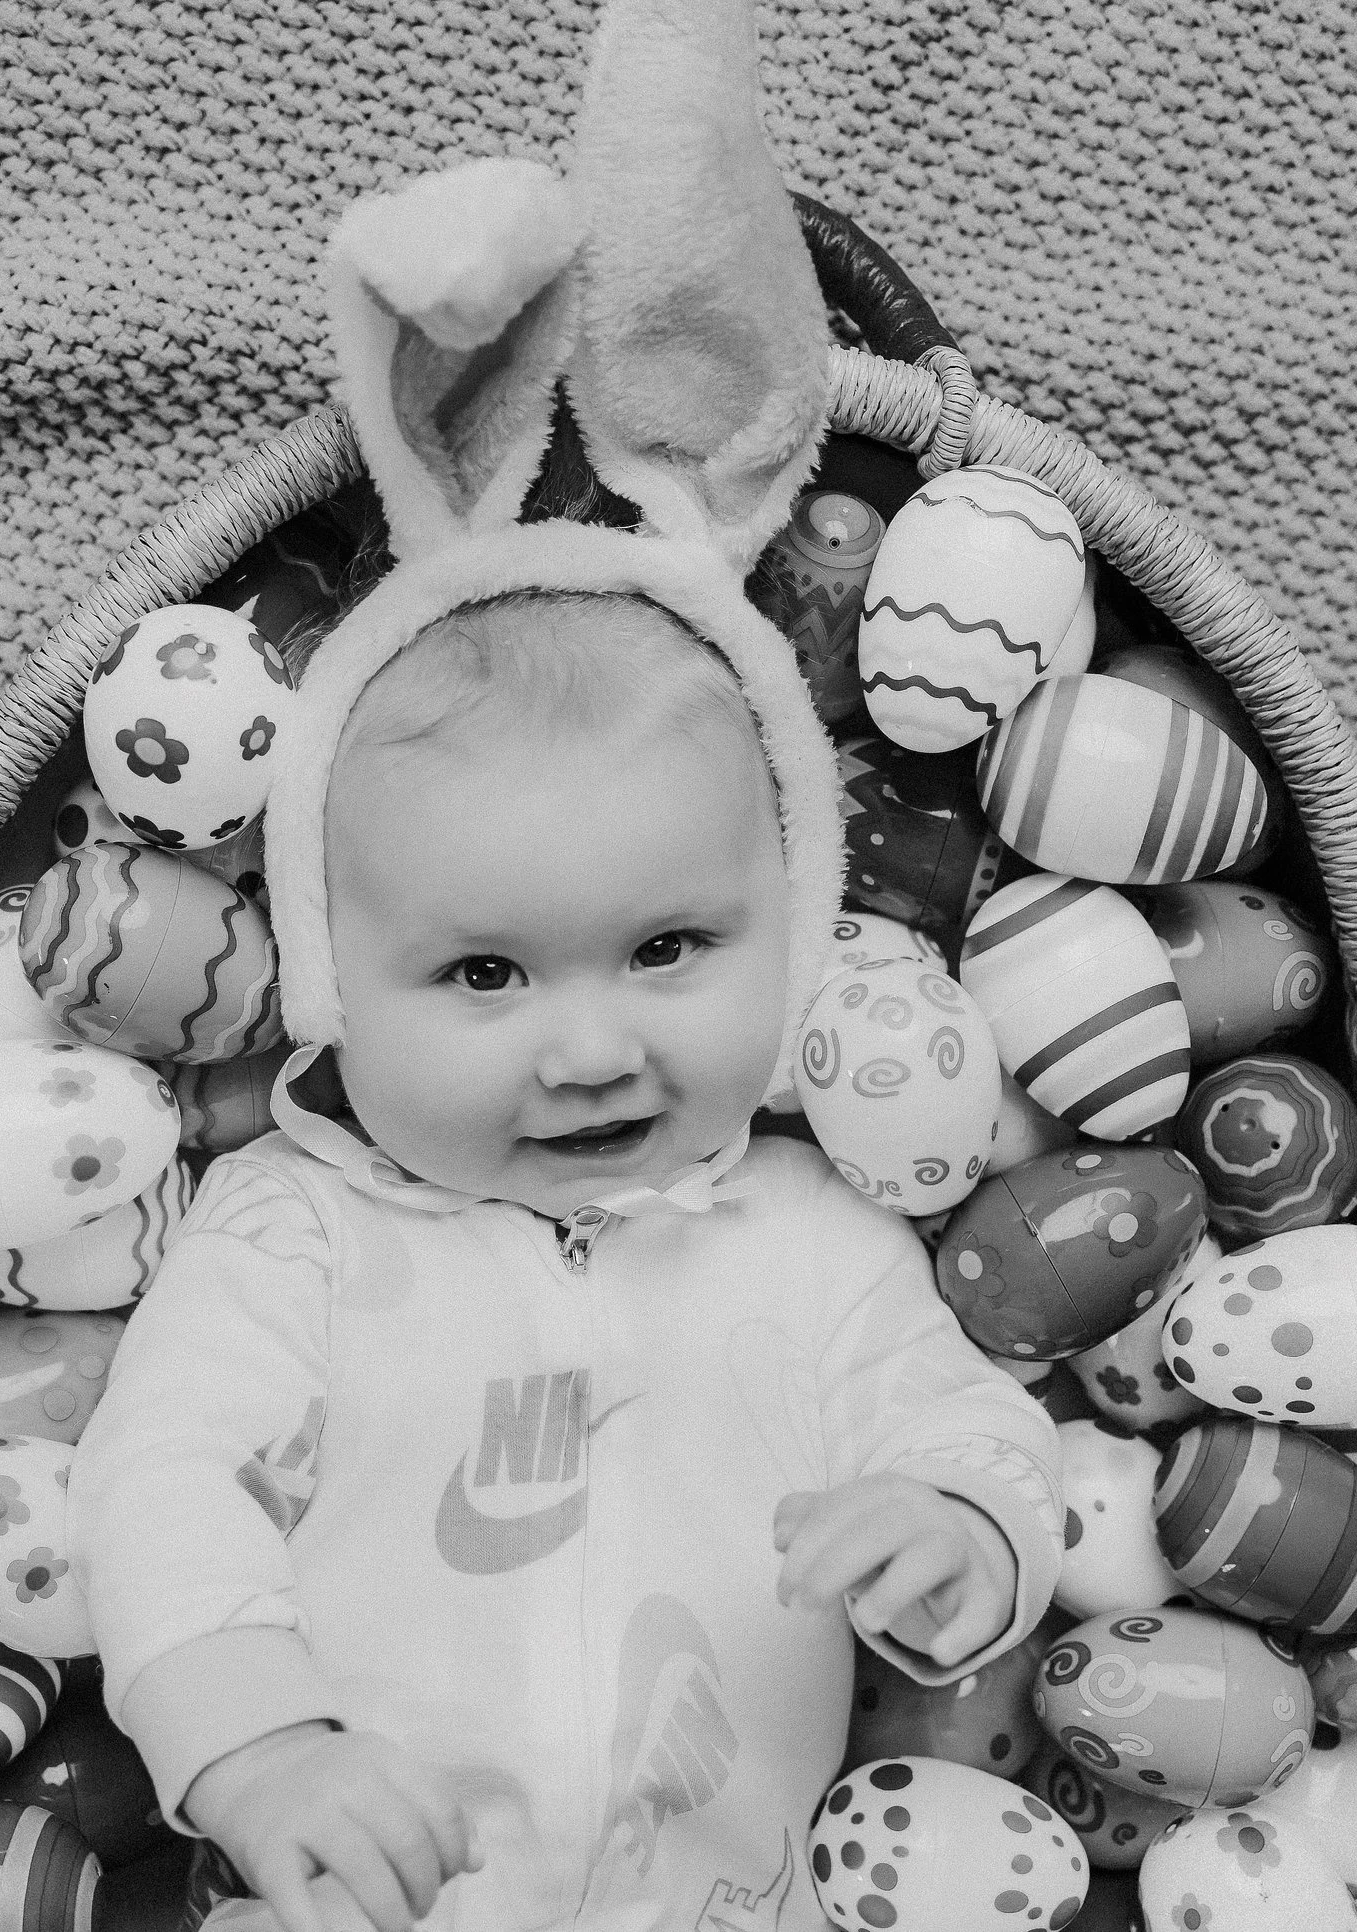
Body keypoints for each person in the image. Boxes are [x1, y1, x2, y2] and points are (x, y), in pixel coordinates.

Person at [70, 588, 1068, 1932]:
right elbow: (164, 1485)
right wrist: (261, 1751)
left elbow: (964, 1416)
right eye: (485, 974)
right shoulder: (287, 1231)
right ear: (329, 988)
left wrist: (956, 1527)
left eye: (668, 949)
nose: (592, 1052)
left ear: (796, 927)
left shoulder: (819, 1234)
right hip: (367, 1903)